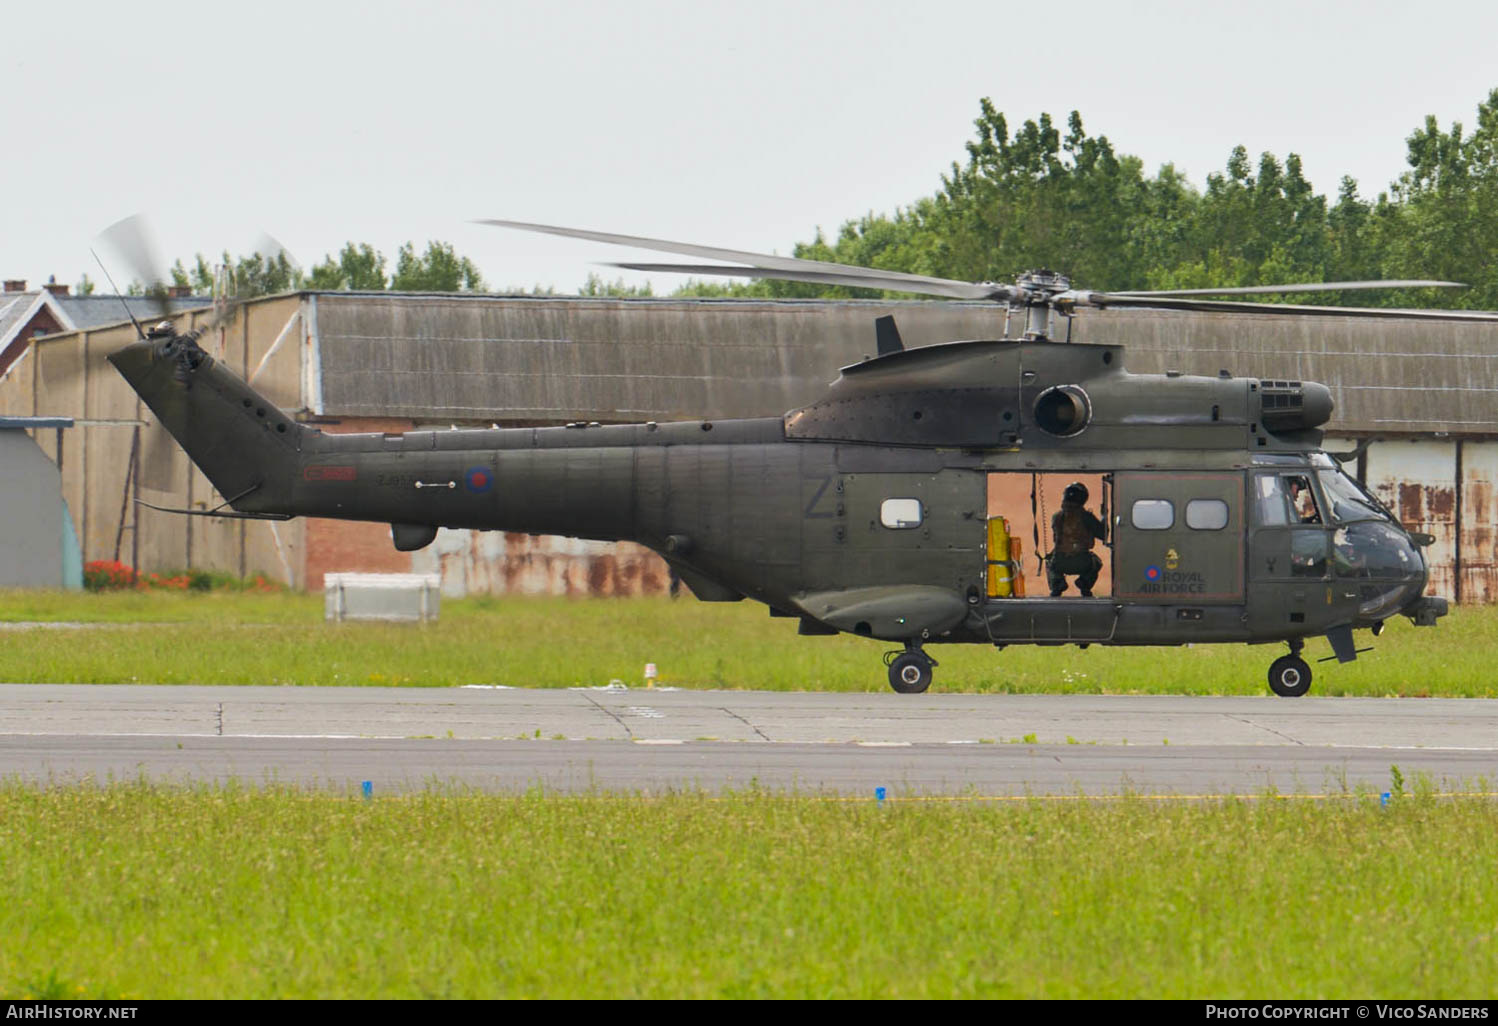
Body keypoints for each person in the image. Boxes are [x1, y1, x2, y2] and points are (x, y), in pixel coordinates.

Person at [1047, 482, 1107, 597]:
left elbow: (1056, 539)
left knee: (1050, 560)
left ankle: (1057, 584)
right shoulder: (1086, 517)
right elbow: (1103, 534)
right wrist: (1104, 516)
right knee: (1097, 562)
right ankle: (1084, 584)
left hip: (1060, 562)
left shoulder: (1056, 517)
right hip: (1082, 562)